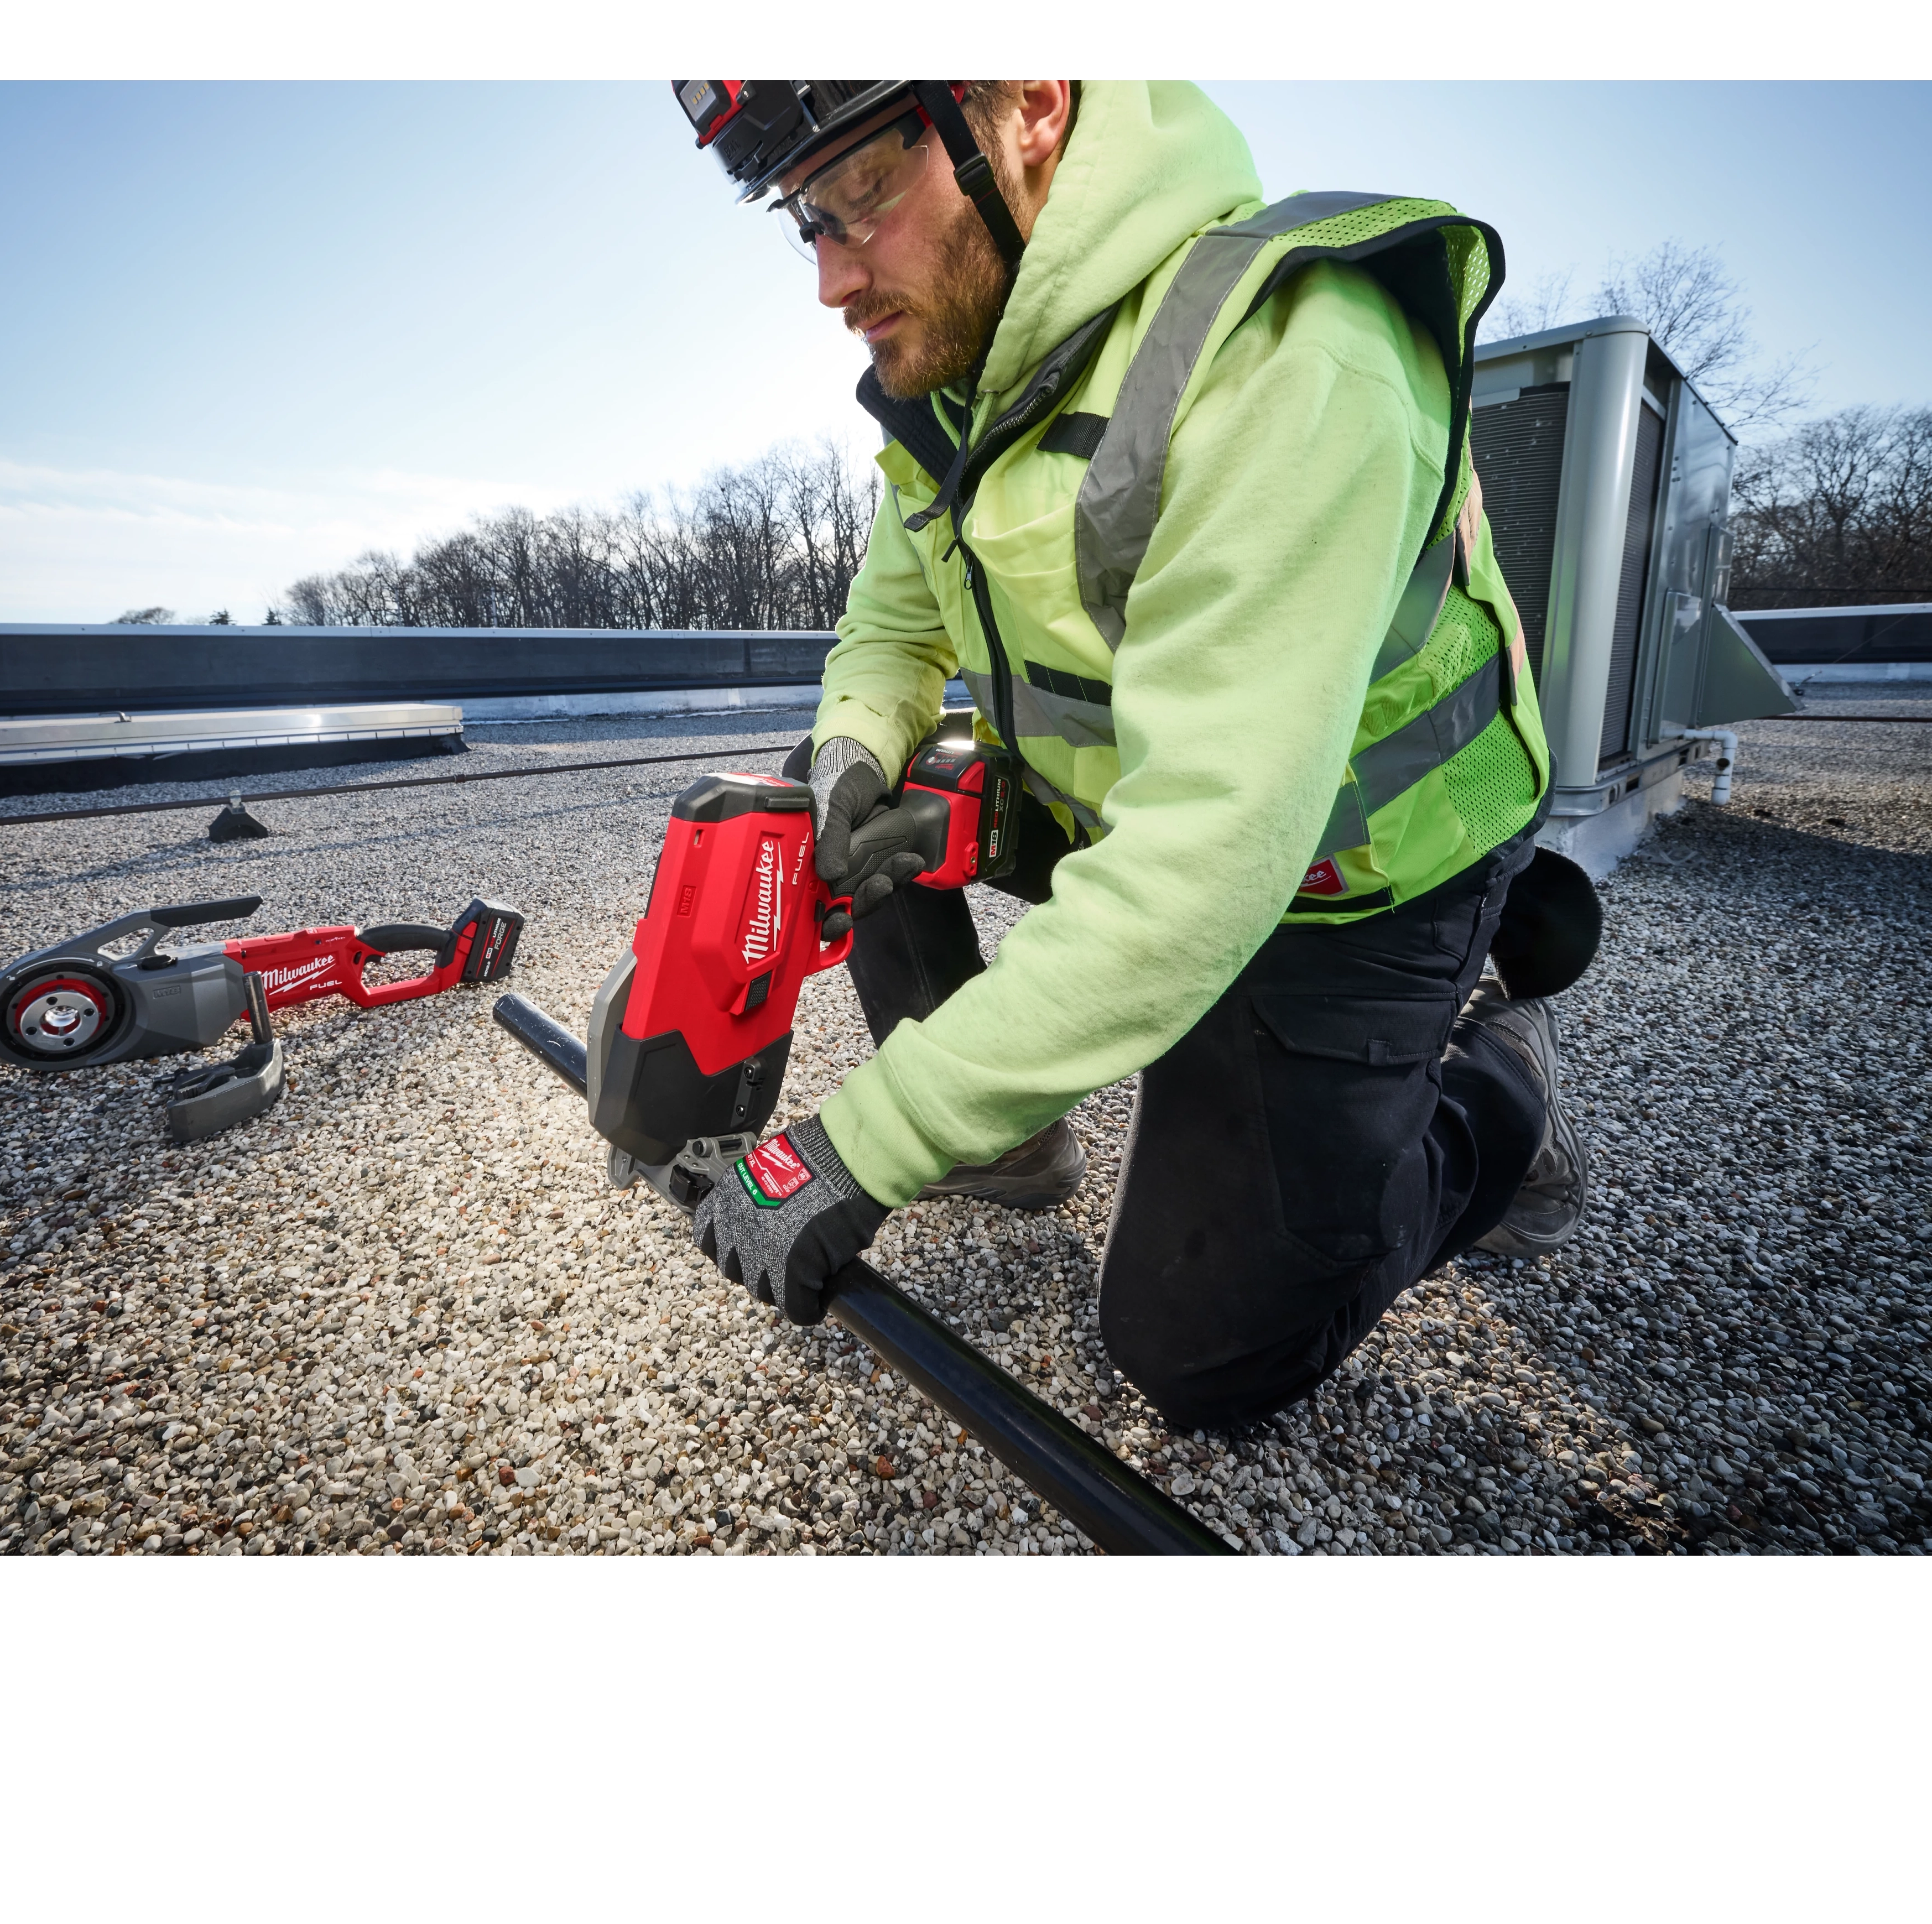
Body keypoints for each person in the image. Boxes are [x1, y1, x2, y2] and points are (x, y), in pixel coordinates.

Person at [666, 77, 1589, 1428]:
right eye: (806, 218)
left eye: (864, 192)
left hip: (1351, 877)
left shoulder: (1284, 353)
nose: (828, 277)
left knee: (1196, 1351)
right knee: (852, 808)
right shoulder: (956, 372)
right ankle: (1009, 1126)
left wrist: (860, 1146)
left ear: (1029, 109)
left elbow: (1200, 861)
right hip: (1139, 824)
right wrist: (853, 749)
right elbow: (890, 625)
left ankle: (1502, 1091)